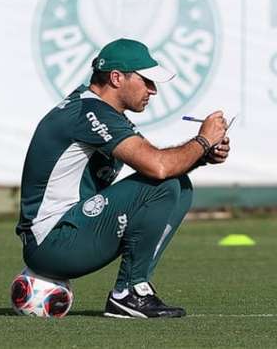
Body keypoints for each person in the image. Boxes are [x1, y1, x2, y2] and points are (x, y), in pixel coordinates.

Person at [15, 38, 230, 319]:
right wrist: (203, 141)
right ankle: (128, 292)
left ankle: (136, 287)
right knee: (164, 182)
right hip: (53, 244)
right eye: (146, 80)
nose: (153, 90)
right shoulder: (89, 112)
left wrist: (202, 155)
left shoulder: (99, 111)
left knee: (179, 185)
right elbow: (158, 167)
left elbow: (162, 165)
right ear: (116, 78)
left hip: (69, 235)